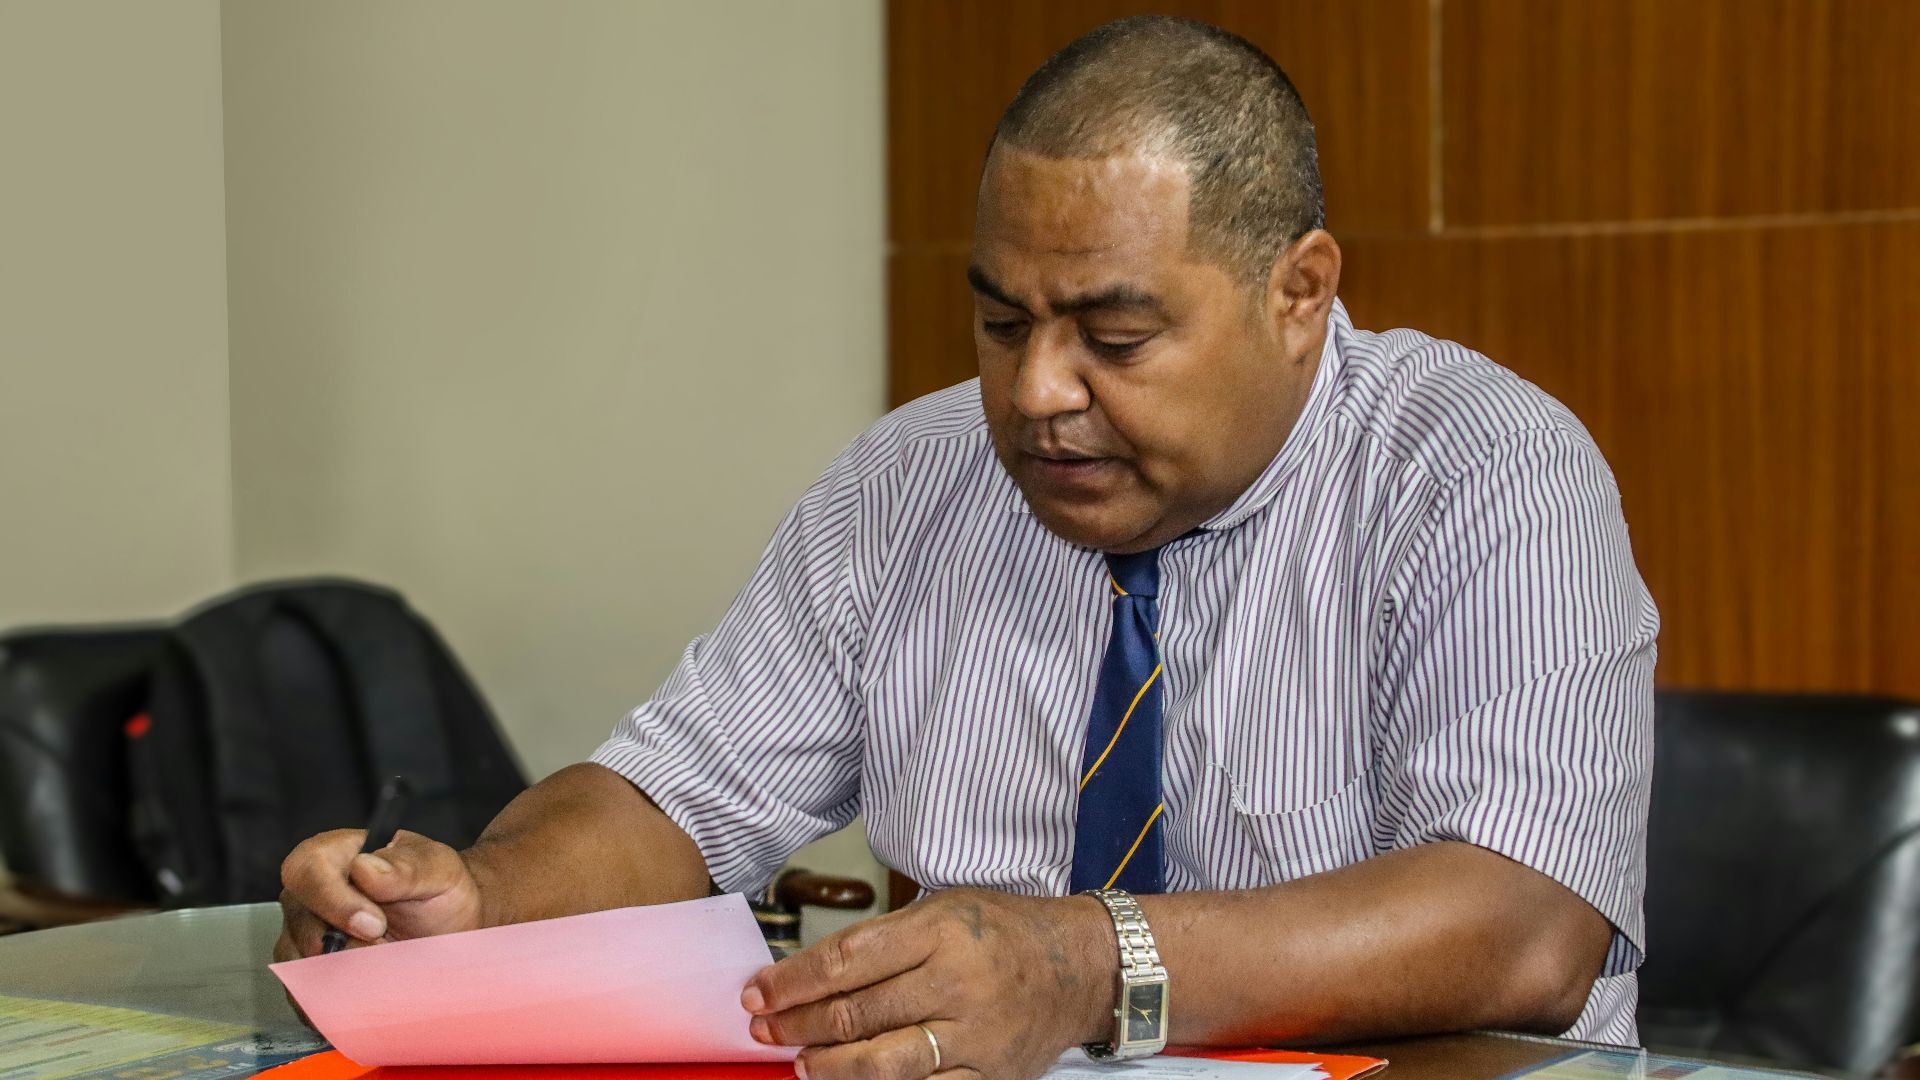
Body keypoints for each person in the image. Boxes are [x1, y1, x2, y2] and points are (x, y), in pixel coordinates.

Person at [277, 15, 1656, 1080]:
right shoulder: (912, 478)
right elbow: (670, 799)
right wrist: (487, 898)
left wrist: (1081, 963)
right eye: (1002, 324)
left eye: (1114, 339)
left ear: (1298, 292)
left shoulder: (1480, 470)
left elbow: (1528, 923)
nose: (1039, 393)